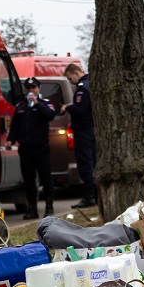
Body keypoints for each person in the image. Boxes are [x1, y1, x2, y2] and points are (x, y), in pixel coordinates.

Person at [7, 77, 57, 219]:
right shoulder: (21, 107)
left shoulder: (44, 104)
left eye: (33, 88)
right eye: (28, 88)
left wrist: (36, 104)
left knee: (46, 179)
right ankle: (32, 209)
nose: (31, 90)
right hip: (26, 149)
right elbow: (15, 126)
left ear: (38, 89)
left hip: (41, 148)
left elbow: (50, 116)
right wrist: (11, 140)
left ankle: (49, 207)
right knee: (28, 181)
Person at [61, 63, 96, 208]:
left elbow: (80, 109)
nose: (71, 81)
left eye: (70, 78)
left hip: (83, 130)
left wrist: (68, 107)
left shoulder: (82, 88)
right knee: (92, 162)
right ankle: (94, 195)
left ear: (76, 73)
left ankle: (89, 197)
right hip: (91, 129)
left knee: (85, 164)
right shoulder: (91, 84)